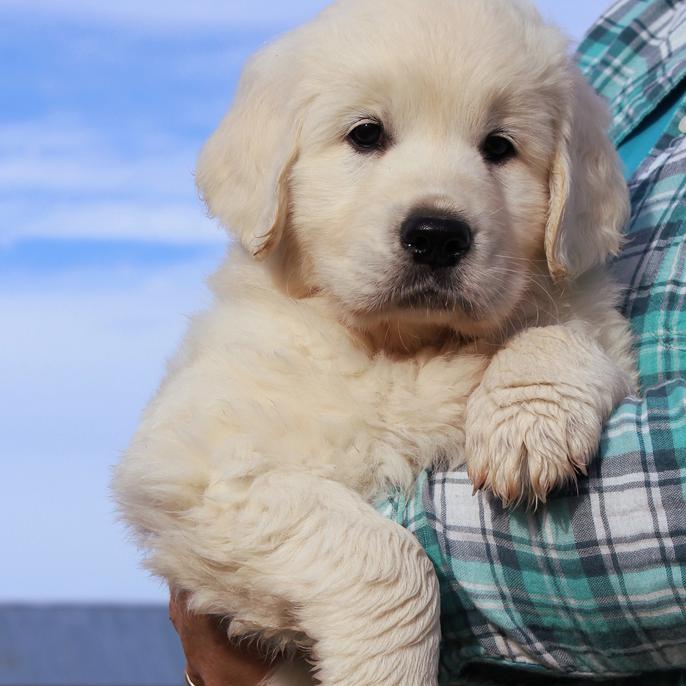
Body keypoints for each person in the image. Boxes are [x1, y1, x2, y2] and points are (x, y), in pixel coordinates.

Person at [170, 0, 686, 683]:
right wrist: (381, 596)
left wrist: (554, 362)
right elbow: (190, 486)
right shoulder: (636, 37)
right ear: (275, 168)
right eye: (366, 135)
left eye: (498, 148)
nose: (440, 217)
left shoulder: (559, 85)